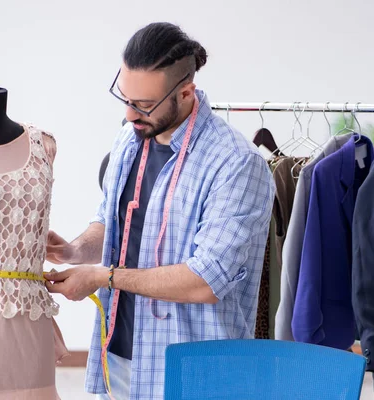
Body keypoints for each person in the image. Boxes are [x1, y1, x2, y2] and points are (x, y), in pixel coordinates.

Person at [45, 22, 275, 399]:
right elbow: (114, 223)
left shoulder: (236, 163)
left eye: (145, 105)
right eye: (126, 99)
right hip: (120, 358)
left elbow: (206, 280)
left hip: (196, 376)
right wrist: (74, 250)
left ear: (186, 92)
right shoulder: (131, 137)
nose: (132, 115)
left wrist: (104, 277)